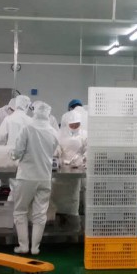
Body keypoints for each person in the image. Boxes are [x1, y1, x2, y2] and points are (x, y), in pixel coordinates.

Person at [10, 101, 59, 255]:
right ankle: (35, 248)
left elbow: (17, 151)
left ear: (34, 112)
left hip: (26, 176)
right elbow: (53, 151)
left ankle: (23, 246)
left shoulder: (27, 128)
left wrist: (12, 155)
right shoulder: (53, 131)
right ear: (48, 114)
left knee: (20, 211)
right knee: (40, 214)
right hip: (44, 177)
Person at [51, 110, 87, 227]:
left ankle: (73, 222)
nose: (75, 127)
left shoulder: (84, 134)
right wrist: (57, 155)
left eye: (77, 124)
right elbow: (55, 147)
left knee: (73, 197)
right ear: (67, 124)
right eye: (72, 125)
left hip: (76, 169)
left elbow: (88, 149)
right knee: (57, 196)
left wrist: (81, 159)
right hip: (61, 170)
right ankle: (57, 219)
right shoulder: (60, 134)